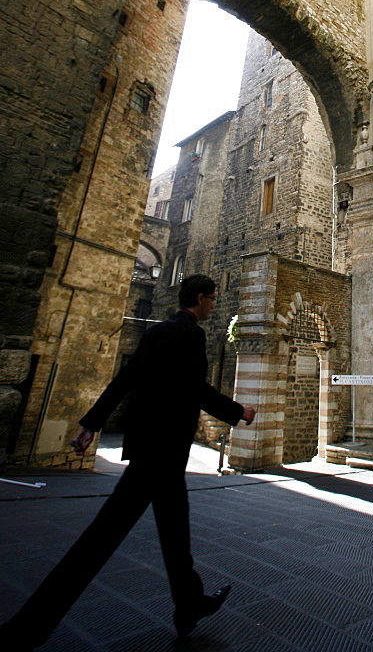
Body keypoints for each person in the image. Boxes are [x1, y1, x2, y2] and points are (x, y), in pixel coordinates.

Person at [0, 274, 255, 650]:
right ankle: (28, 627)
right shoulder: (190, 334)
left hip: (151, 448)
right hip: (163, 451)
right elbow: (194, 389)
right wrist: (239, 411)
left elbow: (125, 379)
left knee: (175, 532)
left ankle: (189, 604)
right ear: (200, 299)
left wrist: (91, 423)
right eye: (213, 299)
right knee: (101, 539)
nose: (215, 304)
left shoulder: (156, 333)